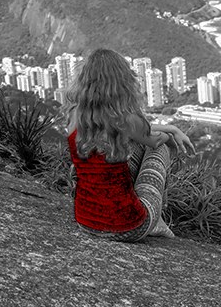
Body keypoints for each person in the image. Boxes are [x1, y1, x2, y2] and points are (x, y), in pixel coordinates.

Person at [63, 48, 193, 242]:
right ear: (122, 81)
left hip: (87, 222)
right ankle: (157, 220)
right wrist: (169, 137)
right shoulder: (126, 120)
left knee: (133, 145)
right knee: (159, 148)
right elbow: (154, 139)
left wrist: (171, 128)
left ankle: (155, 217)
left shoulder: (75, 115)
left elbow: (135, 132)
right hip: (129, 227)